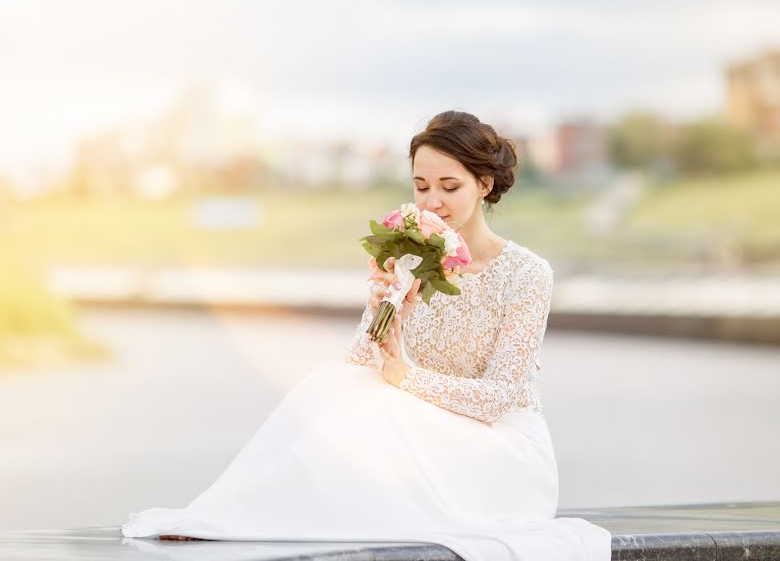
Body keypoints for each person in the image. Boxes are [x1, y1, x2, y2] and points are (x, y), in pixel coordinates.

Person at [120, 111, 613, 561]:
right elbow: (360, 363)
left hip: (501, 450)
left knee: (371, 403)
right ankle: (231, 513)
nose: (433, 202)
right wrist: (383, 308)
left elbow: (501, 398)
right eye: (421, 187)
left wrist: (404, 379)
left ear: (484, 184)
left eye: (449, 186)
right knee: (335, 384)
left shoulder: (527, 274)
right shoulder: (415, 256)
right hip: (425, 427)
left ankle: (253, 515)